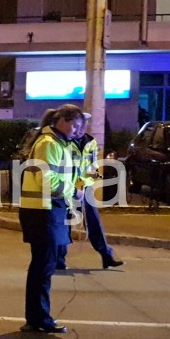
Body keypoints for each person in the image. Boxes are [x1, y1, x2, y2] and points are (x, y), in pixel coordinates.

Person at [18, 104, 85, 333]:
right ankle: (40, 319)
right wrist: (73, 192)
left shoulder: (58, 143)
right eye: (75, 125)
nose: (77, 131)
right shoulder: (49, 144)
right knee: (43, 268)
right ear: (63, 121)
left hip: (47, 210)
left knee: (42, 267)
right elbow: (48, 182)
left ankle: (36, 318)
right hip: (43, 212)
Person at [57, 114, 124, 270]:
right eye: (78, 125)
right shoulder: (65, 142)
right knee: (65, 223)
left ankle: (106, 255)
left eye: (84, 125)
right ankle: (59, 259)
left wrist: (89, 178)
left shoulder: (90, 142)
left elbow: (92, 166)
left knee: (93, 221)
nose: (81, 128)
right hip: (68, 188)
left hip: (84, 187)